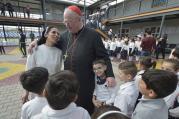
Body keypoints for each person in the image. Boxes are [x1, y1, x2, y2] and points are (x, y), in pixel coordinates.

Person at [28, 5, 115, 114]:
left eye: (69, 21)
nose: (66, 24)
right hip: (67, 83)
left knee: (86, 108)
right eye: (65, 21)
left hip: (86, 82)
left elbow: (104, 56)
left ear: (79, 19)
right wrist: (37, 41)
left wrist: (110, 74)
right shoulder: (64, 36)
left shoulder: (93, 35)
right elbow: (50, 41)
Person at [23, 26, 63, 104]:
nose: (56, 35)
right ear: (46, 34)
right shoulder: (35, 49)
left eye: (58, 34)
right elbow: (28, 71)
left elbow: (58, 72)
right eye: (53, 32)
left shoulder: (59, 52)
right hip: (37, 88)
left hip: (52, 88)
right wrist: (26, 92)